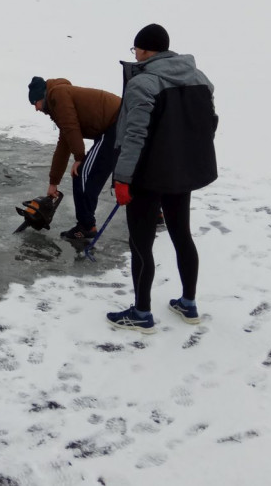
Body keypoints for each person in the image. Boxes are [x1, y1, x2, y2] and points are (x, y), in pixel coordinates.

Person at [107, 23, 218, 333]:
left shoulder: (143, 84)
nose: (135, 54)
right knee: (182, 234)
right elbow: (210, 123)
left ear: (143, 50)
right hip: (180, 173)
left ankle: (142, 312)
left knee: (141, 242)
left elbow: (134, 134)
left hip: (146, 177)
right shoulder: (199, 78)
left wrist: (122, 178)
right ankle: (189, 303)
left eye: (135, 49)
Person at [28, 76, 121, 240]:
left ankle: (86, 226)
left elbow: (71, 127)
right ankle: (153, 213)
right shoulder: (58, 100)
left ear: (41, 97)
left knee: (82, 174)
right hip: (116, 124)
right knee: (128, 170)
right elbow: (63, 144)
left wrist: (79, 157)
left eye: (34, 102)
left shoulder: (57, 95)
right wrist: (53, 182)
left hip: (117, 123)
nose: (35, 108)